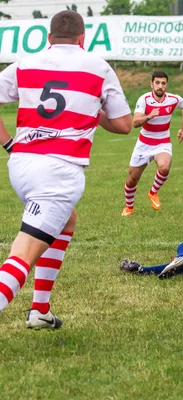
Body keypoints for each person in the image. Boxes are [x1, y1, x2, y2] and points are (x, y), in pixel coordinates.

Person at [0, 10, 132, 329]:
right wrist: (93, 110)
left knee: (67, 220)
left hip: (21, 164)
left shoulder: (25, 63)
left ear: (49, 39)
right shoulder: (98, 67)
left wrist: (7, 144)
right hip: (58, 171)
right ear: (82, 39)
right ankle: (31, 308)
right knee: (23, 254)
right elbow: (125, 125)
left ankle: (40, 310)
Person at [121, 71, 183, 216]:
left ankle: (153, 193)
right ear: (151, 84)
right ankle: (129, 207)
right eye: (157, 83)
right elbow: (135, 123)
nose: (160, 86)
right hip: (144, 143)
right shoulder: (144, 100)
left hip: (162, 142)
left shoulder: (172, 99)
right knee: (133, 178)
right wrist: (149, 116)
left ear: (166, 85)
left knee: (164, 167)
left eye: (163, 83)